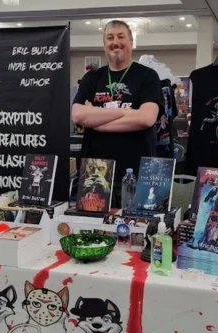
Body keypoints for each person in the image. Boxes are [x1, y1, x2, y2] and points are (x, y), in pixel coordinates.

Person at [72, 20, 164, 204]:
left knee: (135, 231)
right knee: (92, 229)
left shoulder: (147, 76)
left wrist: (97, 122)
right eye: (110, 37)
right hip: (95, 173)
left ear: (131, 42)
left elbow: (146, 118)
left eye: (121, 36)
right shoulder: (92, 78)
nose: (115, 42)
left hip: (136, 174)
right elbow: (77, 115)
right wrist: (128, 112)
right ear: (104, 44)